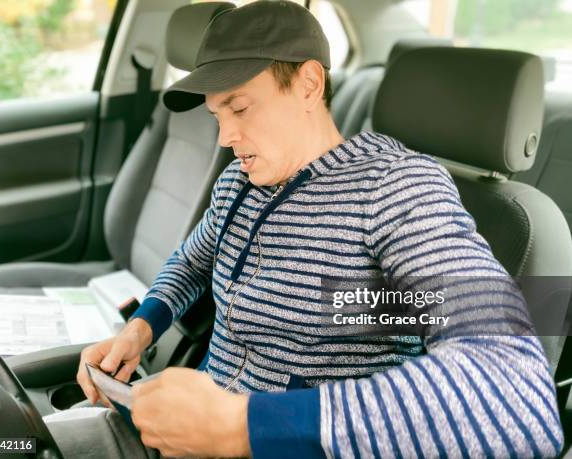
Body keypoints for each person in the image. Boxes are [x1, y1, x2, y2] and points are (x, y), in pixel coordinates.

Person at [63, 1, 562, 458]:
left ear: (308, 84)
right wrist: (140, 327)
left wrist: (241, 425)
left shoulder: (397, 189)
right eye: (217, 114)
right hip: (181, 434)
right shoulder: (241, 178)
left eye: (239, 107)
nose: (225, 136)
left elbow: (511, 391)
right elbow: (195, 260)